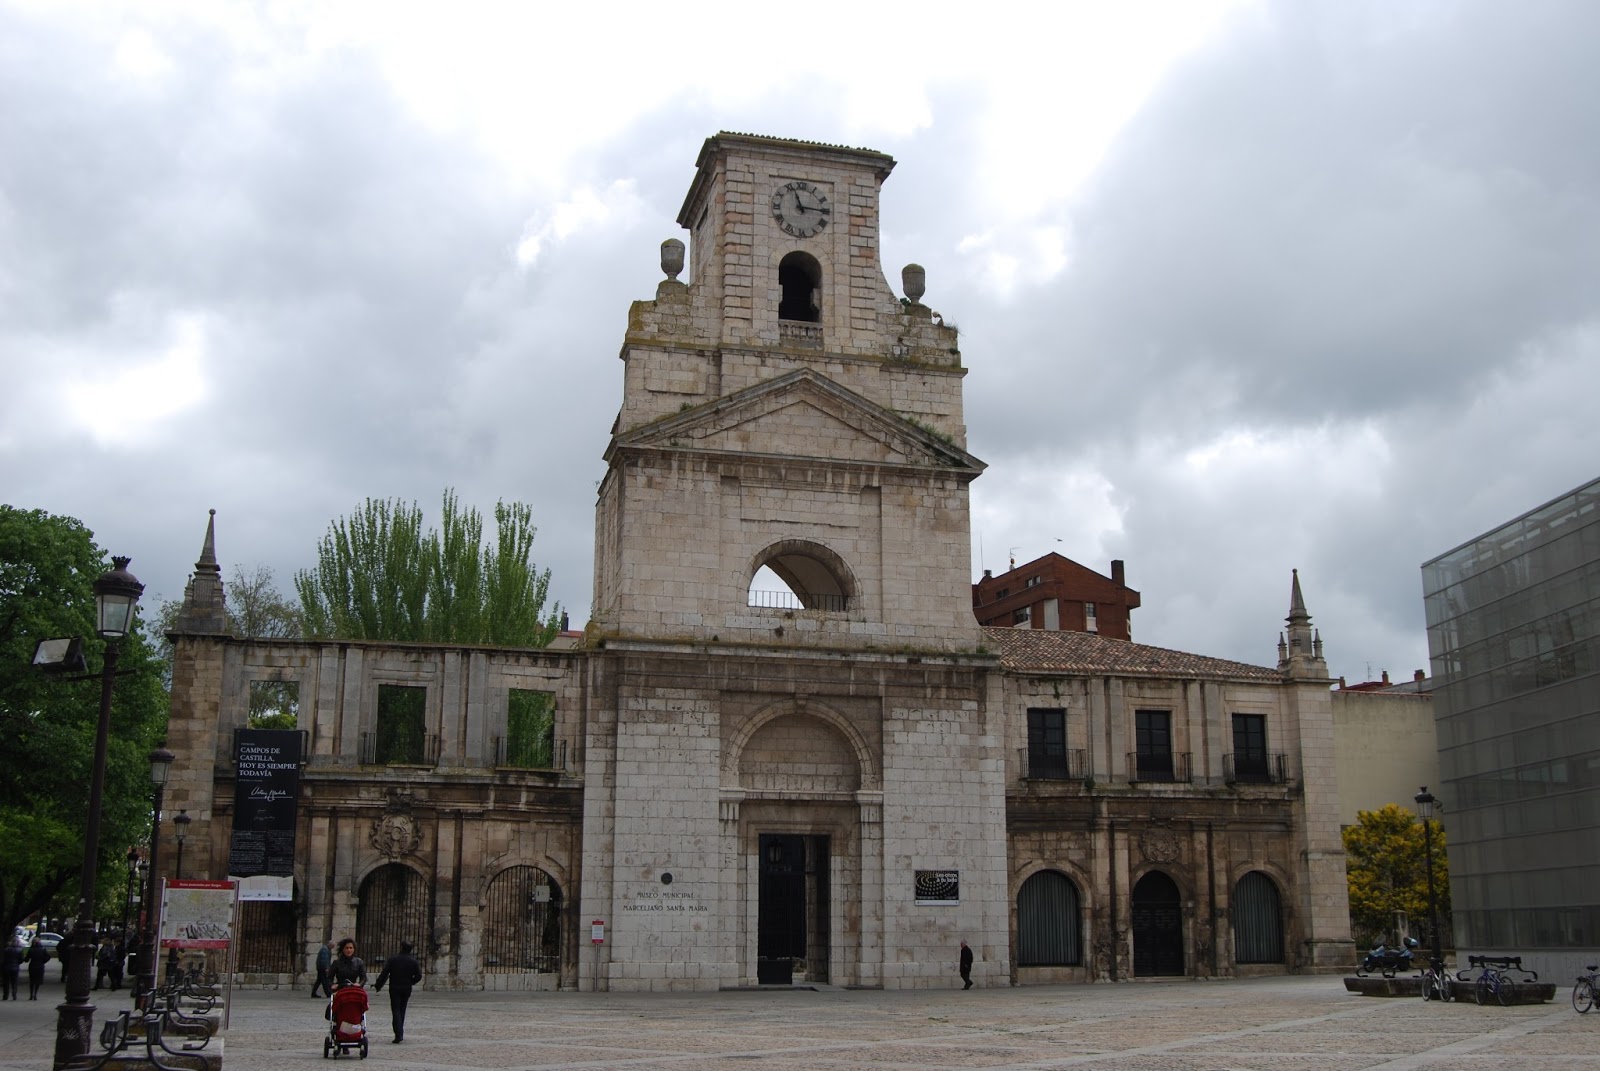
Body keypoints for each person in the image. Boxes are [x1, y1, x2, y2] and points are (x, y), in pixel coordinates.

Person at [373, 940, 422, 1043]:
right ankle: (400, 1031)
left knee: (395, 1010)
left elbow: (384, 973)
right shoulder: (413, 961)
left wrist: (378, 984)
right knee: (402, 1009)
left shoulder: (393, 959)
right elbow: (418, 976)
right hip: (406, 988)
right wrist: (411, 982)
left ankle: (398, 1033)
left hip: (394, 987)